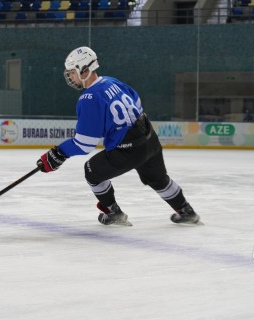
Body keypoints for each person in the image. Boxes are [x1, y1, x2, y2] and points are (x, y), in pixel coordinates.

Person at [36, 46, 200, 226]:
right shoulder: (112, 81)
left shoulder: (89, 98)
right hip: (149, 138)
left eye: (72, 73)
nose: (71, 77)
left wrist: (58, 154)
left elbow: (85, 144)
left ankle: (113, 213)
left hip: (128, 150)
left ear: (85, 70)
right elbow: (137, 102)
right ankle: (186, 211)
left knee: (92, 171)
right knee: (158, 179)